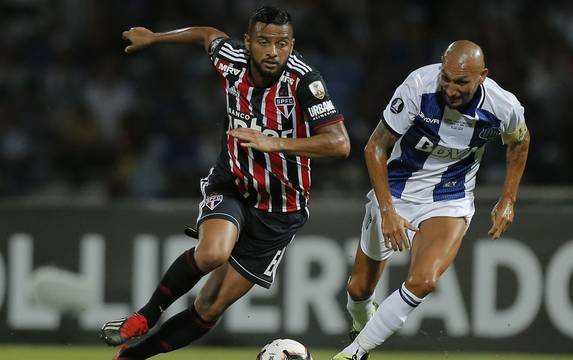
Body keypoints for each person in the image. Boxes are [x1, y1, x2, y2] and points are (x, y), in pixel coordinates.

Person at [99, 6, 350, 359]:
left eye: (282, 43)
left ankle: (130, 357)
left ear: (292, 45)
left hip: (281, 208)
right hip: (232, 183)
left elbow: (340, 143)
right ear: (247, 42)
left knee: (209, 307)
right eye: (263, 42)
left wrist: (274, 142)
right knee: (214, 252)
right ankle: (146, 314)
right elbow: (206, 33)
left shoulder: (305, 81)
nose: (273, 52)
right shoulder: (231, 59)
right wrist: (156, 38)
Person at [332, 40, 530, 360]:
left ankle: (354, 353)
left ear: (482, 76)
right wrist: (388, 210)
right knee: (358, 290)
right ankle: (361, 321)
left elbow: (520, 143)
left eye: (461, 82)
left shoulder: (503, 106)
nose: (450, 89)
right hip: (396, 191)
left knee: (424, 281)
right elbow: (375, 148)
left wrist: (508, 199)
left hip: (450, 196)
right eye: (446, 78)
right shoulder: (417, 87)